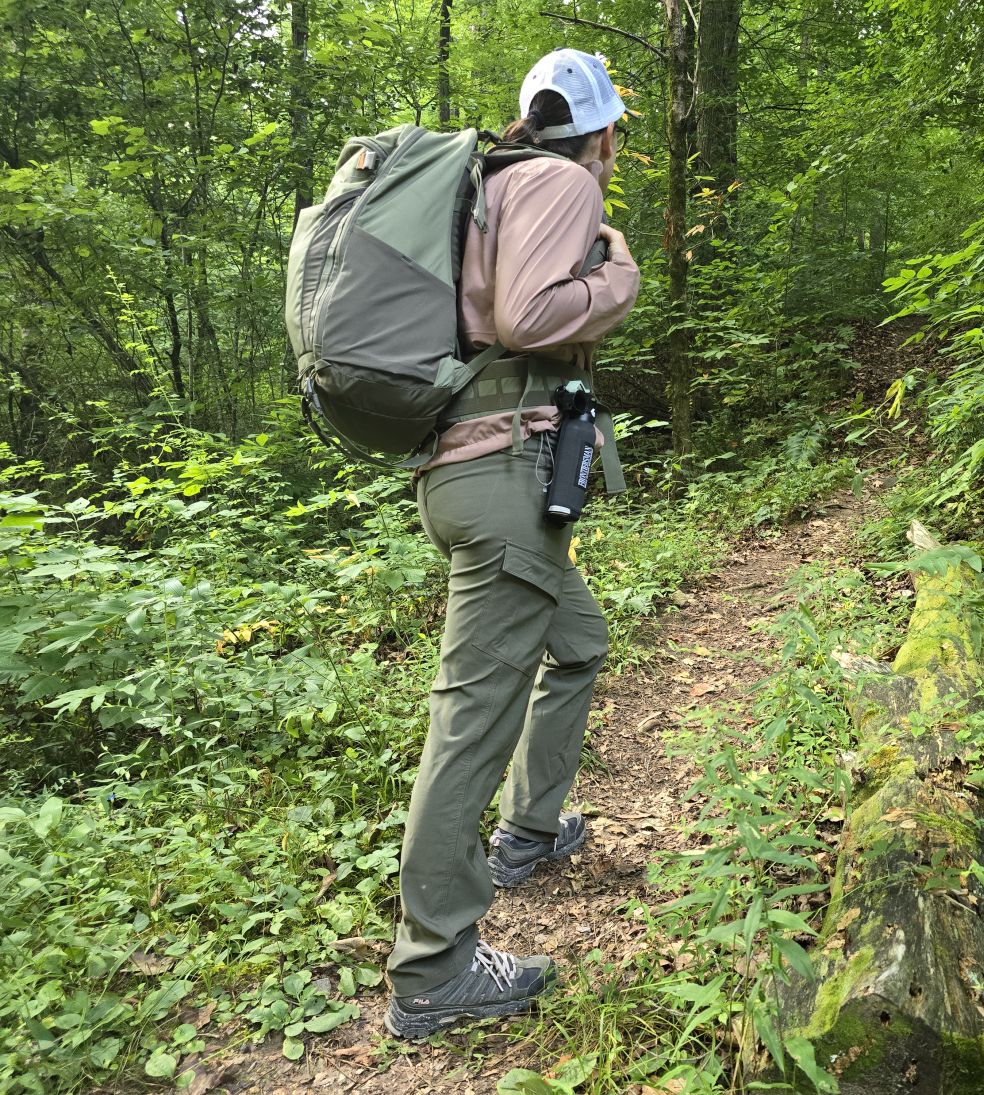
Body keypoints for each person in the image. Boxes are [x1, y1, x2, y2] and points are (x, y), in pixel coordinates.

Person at [383, 48, 639, 1041]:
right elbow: (533, 313)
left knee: (578, 641)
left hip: (462, 473)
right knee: (467, 725)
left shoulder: (486, 185)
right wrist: (615, 272)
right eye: (614, 138)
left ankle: (530, 832)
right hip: (502, 480)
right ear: (603, 132)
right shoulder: (562, 182)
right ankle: (433, 971)